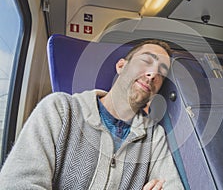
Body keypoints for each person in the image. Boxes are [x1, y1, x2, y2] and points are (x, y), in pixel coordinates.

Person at [0, 39, 184, 189]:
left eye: (162, 72)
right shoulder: (60, 109)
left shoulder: (154, 137)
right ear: (121, 66)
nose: (153, 74)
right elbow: (16, 184)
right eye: (146, 61)